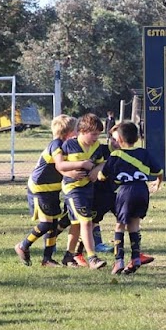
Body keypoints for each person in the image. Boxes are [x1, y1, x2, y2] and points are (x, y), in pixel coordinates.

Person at [14, 114, 81, 267]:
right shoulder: (56, 144)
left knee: (54, 223)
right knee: (46, 223)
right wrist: (72, 173)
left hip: (52, 189)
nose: (77, 132)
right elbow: (59, 164)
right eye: (76, 130)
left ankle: (47, 259)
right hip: (39, 189)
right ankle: (23, 245)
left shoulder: (66, 145)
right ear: (68, 132)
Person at [98, 121, 163, 275]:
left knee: (120, 225)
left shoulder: (115, 155)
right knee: (134, 223)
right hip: (142, 190)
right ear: (138, 137)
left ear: (119, 139)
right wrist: (158, 182)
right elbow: (159, 170)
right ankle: (135, 258)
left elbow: (102, 176)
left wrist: (101, 175)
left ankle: (118, 260)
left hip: (125, 191)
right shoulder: (144, 152)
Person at [59, 113, 107, 270]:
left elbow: (102, 163)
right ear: (82, 131)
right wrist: (76, 168)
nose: (96, 137)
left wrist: (97, 170)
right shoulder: (69, 145)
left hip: (88, 188)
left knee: (76, 225)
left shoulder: (97, 146)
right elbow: (60, 166)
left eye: (98, 134)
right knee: (86, 221)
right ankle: (92, 258)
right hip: (73, 189)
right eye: (93, 134)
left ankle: (68, 256)